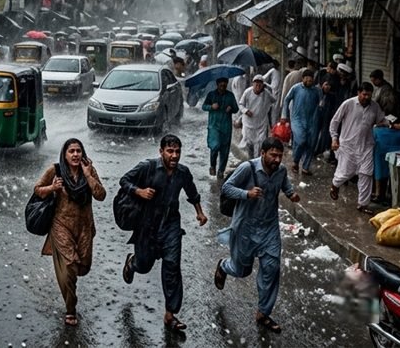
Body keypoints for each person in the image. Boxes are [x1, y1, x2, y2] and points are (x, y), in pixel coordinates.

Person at [119, 134, 207, 334]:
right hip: (146, 225)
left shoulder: (183, 172)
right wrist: (138, 191)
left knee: (172, 266)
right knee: (144, 265)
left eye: (177, 151)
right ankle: (132, 263)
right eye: (170, 151)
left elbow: (192, 193)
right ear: (161, 152)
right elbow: (124, 181)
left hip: (171, 225)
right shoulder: (147, 167)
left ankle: (170, 314)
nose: (174, 155)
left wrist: (200, 213)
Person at [215, 138, 299, 334]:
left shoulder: (281, 171)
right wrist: (247, 193)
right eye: (273, 155)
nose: (277, 159)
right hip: (245, 228)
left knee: (272, 268)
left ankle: (263, 313)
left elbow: (285, 187)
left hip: (269, 228)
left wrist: (291, 194)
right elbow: (226, 188)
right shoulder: (248, 168)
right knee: (241, 270)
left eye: (280, 156)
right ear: (263, 153)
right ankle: (223, 266)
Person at [33, 138, 105, 326]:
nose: (75, 154)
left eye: (78, 151)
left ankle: (70, 295)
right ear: (64, 154)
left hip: (84, 227)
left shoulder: (88, 170)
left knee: (82, 267)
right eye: (71, 151)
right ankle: (70, 309)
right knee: (70, 267)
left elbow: (101, 195)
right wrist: (53, 188)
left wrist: (89, 176)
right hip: (61, 225)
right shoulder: (55, 171)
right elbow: (38, 190)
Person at [329, 82, 386, 214]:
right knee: (346, 173)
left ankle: (363, 204)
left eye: (369, 95)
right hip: (348, 145)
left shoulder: (375, 107)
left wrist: (390, 124)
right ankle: (335, 185)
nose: (366, 97)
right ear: (359, 93)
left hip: (366, 145)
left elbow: (381, 120)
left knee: (366, 174)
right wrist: (334, 138)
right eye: (364, 94)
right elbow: (335, 121)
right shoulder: (348, 104)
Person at [281, 70, 321, 174]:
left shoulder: (317, 90)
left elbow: (321, 103)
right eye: (306, 78)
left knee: (311, 144)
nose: (309, 80)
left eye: (311, 78)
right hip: (297, 119)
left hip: (312, 120)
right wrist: (284, 115)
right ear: (302, 78)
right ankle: (295, 161)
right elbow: (286, 100)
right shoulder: (296, 88)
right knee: (301, 140)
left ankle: (305, 167)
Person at [204, 77, 239, 177]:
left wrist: (231, 108)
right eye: (221, 84)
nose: (223, 86)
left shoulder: (230, 96)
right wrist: (211, 107)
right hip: (214, 126)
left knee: (224, 150)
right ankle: (213, 166)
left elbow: (236, 109)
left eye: (225, 84)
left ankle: (221, 171)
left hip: (226, 127)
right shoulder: (211, 95)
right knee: (214, 146)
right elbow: (204, 106)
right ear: (217, 84)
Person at [238, 75, 275, 158]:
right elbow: (241, 104)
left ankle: (257, 162)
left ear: (263, 85)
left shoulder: (266, 93)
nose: (258, 85)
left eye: (260, 83)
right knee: (249, 144)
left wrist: (267, 88)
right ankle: (251, 160)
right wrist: (246, 111)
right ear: (253, 83)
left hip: (261, 124)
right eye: (256, 83)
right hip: (248, 123)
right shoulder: (247, 92)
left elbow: (274, 100)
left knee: (260, 144)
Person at [315, 77, 342, 166]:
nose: (327, 87)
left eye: (329, 85)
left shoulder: (332, 97)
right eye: (326, 84)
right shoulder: (318, 93)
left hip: (328, 119)